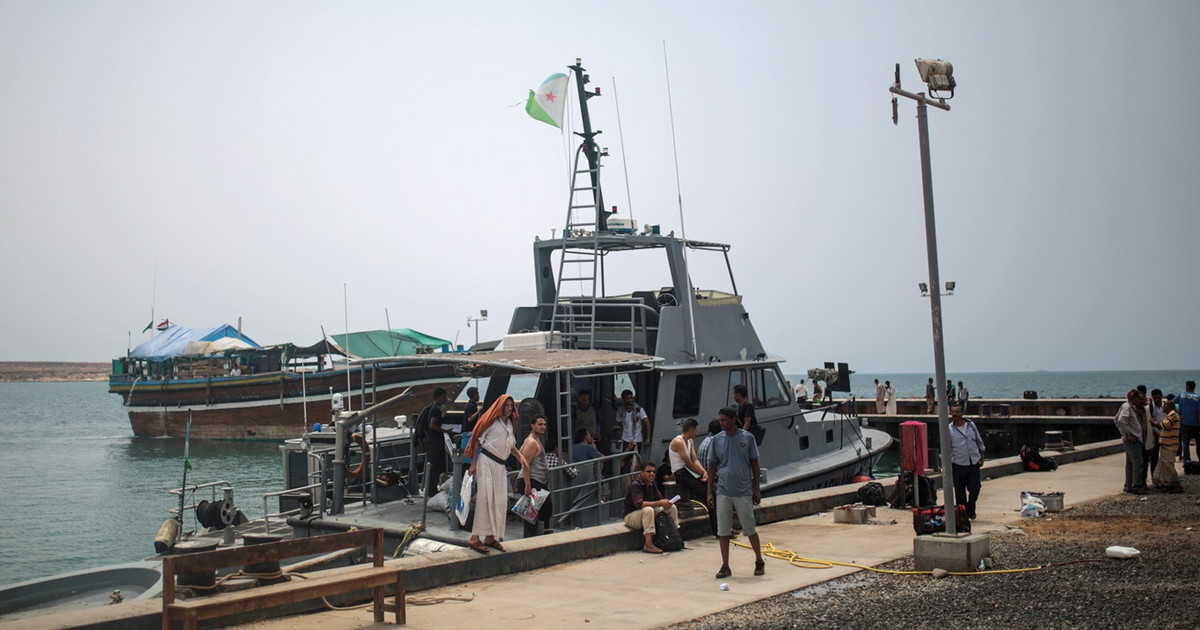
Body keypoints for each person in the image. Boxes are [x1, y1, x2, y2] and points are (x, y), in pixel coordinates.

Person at [464, 394, 531, 554]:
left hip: (500, 465)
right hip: (486, 462)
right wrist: (473, 464)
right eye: (506, 405)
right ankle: (474, 538)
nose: (508, 408)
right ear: (500, 406)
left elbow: (511, 446)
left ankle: (490, 537)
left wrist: (521, 458)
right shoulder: (491, 422)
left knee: (499, 500)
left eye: (511, 406)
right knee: (485, 499)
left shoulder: (509, 424)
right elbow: (477, 441)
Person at [707, 406, 764, 579]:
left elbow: (754, 464)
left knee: (749, 528)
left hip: (743, 491)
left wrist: (756, 488)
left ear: (733, 420)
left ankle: (759, 560)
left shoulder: (747, 438)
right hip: (723, 491)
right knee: (723, 531)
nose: (721, 423)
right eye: (720, 420)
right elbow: (712, 466)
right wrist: (709, 492)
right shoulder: (716, 440)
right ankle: (725, 565)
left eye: (724, 420)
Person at [623, 461, 679, 554]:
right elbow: (639, 504)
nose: (652, 474)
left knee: (672, 507)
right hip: (631, 516)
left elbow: (659, 499)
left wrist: (666, 503)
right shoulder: (635, 485)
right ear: (642, 473)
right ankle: (648, 544)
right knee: (648, 510)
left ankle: (675, 536)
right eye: (649, 471)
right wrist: (659, 503)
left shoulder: (652, 484)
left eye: (653, 472)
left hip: (646, 514)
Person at [948, 405, 986, 520]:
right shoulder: (949, 429)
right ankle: (963, 515)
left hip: (973, 462)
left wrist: (982, 455)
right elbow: (947, 447)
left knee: (975, 488)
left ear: (962, 413)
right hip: (958, 463)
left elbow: (978, 441)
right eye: (953, 412)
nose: (955, 414)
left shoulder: (971, 425)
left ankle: (971, 507)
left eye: (957, 412)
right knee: (960, 493)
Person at [519, 416, 553, 536]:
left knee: (541, 512)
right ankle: (530, 539)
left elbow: (519, 454)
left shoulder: (532, 440)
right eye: (540, 424)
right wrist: (527, 485)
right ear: (532, 426)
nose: (543, 427)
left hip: (538, 481)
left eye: (544, 424)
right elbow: (525, 464)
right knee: (532, 515)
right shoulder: (531, 442)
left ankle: (536, 536)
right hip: (533, 481)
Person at [1113, 389, 1147, 494]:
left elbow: (1116, 419)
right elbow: (1120, 420)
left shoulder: (1128, 407)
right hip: (1132, 440)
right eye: (1138, 398)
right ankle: (1136, 486)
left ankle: (1129, 485)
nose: (1140, 401)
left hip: (1132, 439)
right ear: (1134, 398)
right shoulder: (1127, 407)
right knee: (1138, 463)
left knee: (1130, 464)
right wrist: (1128, 434)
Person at [668, 418, 709, 503]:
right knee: (703, 492)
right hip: (680, 473)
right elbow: (688, 462)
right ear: (691, 431)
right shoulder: (678, 441)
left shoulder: (690, 441)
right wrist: (700, 474)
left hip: (689, 471)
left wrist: (704, 471)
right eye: (696, 431)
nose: (696, 433)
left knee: (710, 487)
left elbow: (695, 460)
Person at [423, 388, 451, 497]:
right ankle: (431, 489)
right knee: (435, 465)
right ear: (438, 397)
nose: (445, 399)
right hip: (435, 441)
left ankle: (432, 487)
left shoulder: (433, 408)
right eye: (444, 397)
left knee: (434, 465)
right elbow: (432, 425)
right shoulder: (435, 410)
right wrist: (445, 430)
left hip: (433, 440)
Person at [617, 389, 651, 471]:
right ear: (623, 399)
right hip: (625, 439)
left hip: (637, 440)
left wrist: (648, 438)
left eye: (631, 397)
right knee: (622, 461)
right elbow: (619, 425)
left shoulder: (639, 410)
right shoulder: (620, 411)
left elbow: (647, 422)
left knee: (636, 462)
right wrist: (619, 437)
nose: (630, 400)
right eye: (627, 398)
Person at [1153, 400, 1183, 493]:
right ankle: (1167, 483)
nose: (1163, 407)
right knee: (1164, 465)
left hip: (1170, 445)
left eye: (1165, 405)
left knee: (1168, 465)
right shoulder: (1170, 415)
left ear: (1169, 407)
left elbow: (1164, 425)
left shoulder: (1173, 415)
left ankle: (1176, 484)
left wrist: (1153, 422)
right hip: (1166, 444)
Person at [1175, 380, 1200, 464]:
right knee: (1198, 442)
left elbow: (1171, 403)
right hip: (1196, 423)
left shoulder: (1181, 395)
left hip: (1184, 422)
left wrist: (1179, 413)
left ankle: (1187, 460)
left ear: (1188, 386)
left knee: (1185, 442)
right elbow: (1199, 412)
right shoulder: (1198, 397)